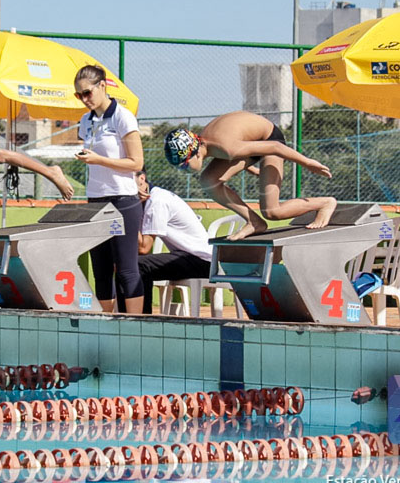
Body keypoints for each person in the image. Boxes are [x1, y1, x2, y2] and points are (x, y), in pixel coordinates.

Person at [162, 112, 336, 241]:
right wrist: (254, 169)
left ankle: (325, 203)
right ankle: (254, 222)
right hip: (253, 143)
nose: (184, 170)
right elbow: (242, 146)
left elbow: (274, 147)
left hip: (271, 140)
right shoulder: (207, 142)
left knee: (272, 211)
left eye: (184, 165)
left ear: (196, 153)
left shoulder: (226, 147)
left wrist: (307, 163)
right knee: (208, 180)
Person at [74, 65, 145, 314]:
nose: (84, 99)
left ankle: (134, 326)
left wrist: (99, 160)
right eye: (78, 95)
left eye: (87, 93)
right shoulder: (86, 120)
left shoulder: (122, 117)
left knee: (125, 269)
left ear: (102, 86)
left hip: (122, 200)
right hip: (96, 200)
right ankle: (105, 323)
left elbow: (136, 163)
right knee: (100, 270)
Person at [135, 171, 212, 315]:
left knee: (138, 266)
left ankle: (141, 320)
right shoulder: (147, 201)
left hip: (201, 260)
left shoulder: (157, 201)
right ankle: (122, 315)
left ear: (141, 178)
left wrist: (126, 213)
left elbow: (144, 247)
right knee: (126, 265)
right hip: (184, 256)